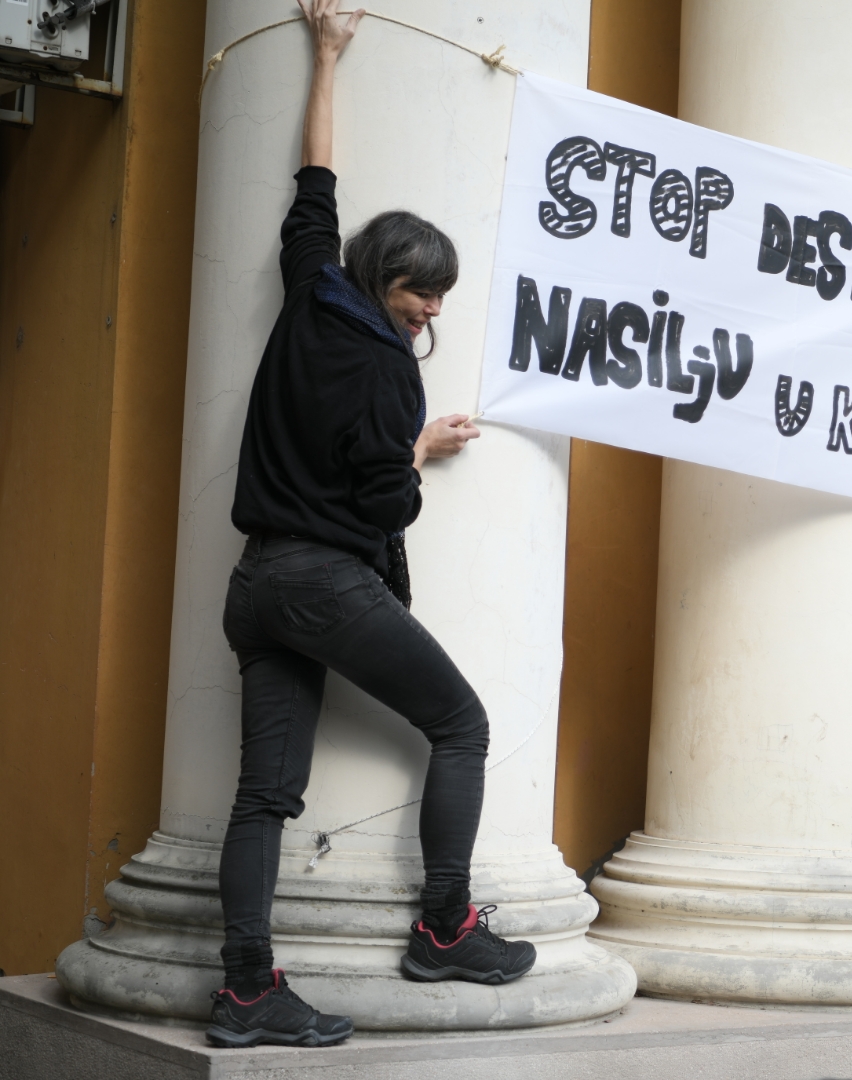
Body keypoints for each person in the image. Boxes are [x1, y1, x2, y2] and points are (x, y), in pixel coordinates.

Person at [206, 0, 534, 1049]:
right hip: (322, 581)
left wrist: (329, 55)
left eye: (438, 297)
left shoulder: (312, 289)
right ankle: (444, 926)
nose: (427, 310)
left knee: (264, 797)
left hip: (257, 584)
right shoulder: (388, 375)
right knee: (463, 725)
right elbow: (382, 502)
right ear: (384, 279)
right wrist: (414, 456)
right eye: (417, 292)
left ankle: (247, 993)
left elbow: (315, 188)